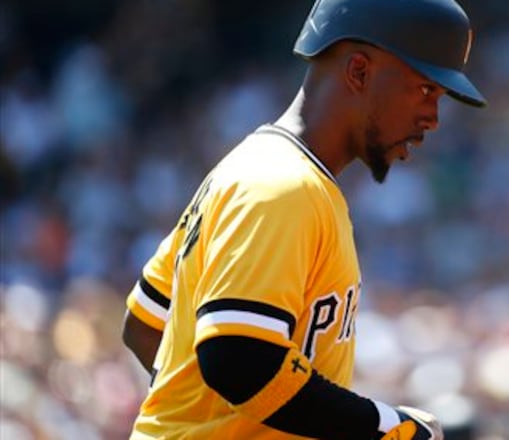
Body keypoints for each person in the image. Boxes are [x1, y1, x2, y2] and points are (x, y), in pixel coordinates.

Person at [121, 0, 486, 438]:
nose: (433, 118)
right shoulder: (282, 183)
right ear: (359, 72)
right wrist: (390, 427)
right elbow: (240, 360)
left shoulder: (266, 171)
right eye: (426, 89)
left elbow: (146, 323)